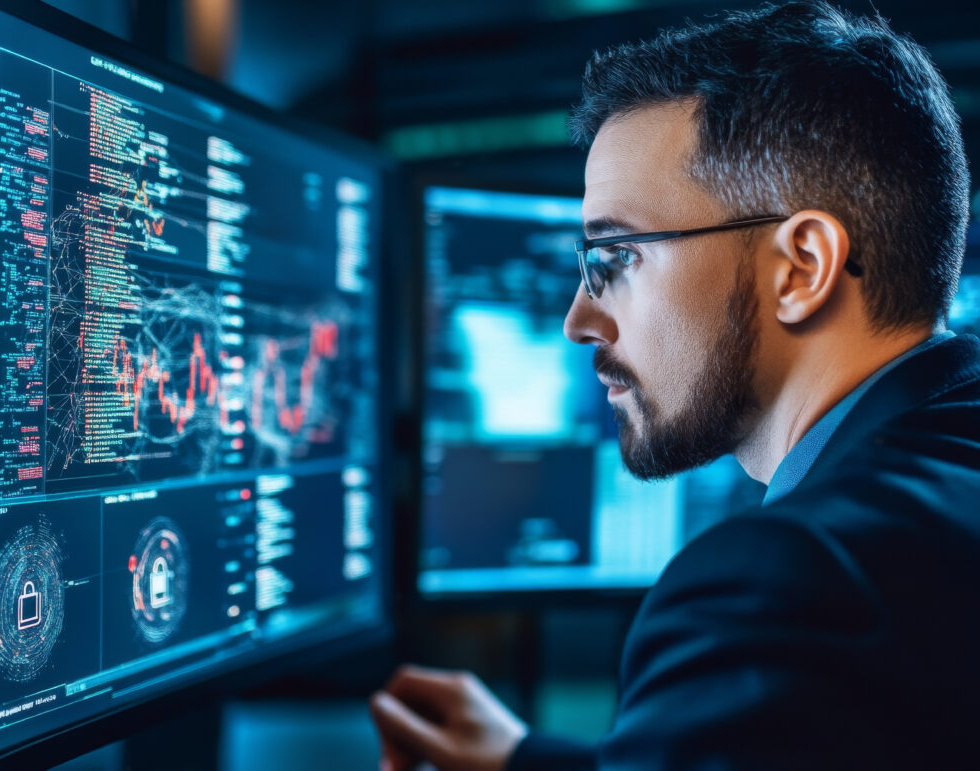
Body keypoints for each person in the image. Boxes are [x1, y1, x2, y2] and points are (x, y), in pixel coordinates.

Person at [371, 1, 980, 768]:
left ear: (802, 268)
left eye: (615, 257)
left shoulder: (780, 587)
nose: (578, 318)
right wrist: (524, 759)